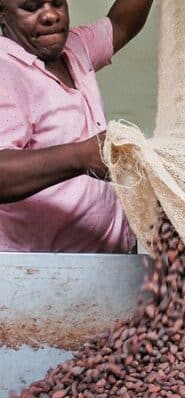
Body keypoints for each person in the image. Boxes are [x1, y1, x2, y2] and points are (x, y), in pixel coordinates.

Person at [0, 0, 154, 253]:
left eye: (58, 3)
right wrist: (82, 156)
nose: (50, 15)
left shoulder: (75, 48)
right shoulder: (5, 71)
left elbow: (121, 25)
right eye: (31, 7)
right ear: (2, 14)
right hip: (38, 274)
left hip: (106, 264)